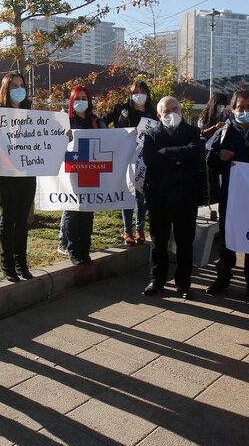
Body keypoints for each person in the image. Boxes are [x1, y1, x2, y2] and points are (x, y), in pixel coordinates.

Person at [205, 90, 249, 304]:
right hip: (230, 195)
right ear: (233, 110)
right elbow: (209, 160)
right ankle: (223, 279)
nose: (245, 111)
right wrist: (219, 156)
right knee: (227, 239)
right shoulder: (224, 131)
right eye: (241, 107)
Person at [141, 96, 204, 299]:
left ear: (181, 110)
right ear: (159, 115)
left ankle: (183, 283)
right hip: (159, 196)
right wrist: (180, 158)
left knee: (185, 242)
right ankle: (156, 280)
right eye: (166, 111)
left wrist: (166, 152)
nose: (171, 114)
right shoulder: (151, 134)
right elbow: (151, 159)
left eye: (175, 109)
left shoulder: (193, 132)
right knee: (158, 241)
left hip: (186, 196)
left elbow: (195, 154)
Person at [0, 71, 37, 282]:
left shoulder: (30, 111)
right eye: (14, 85)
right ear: (6, 89)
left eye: (21, 85)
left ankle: (21, 263)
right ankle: (7, 265)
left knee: (23, 219)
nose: (18, 89)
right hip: (6, 172)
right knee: (9, 218)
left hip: (27, 171)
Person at [103, 80, 155, 245]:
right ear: (130, 94)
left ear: (147, 94)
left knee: (141, 196)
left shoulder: (152, 112)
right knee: (127, 194)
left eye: (142, 91)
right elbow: (103, 121)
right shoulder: (122, 109)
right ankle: (127, 231)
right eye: (135, 92)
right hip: (124, 158)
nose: (138, 95)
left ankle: (140, 230)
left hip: (144, 159)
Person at [61, 85, 107, 265]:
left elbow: (108, 141)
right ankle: (73, 250)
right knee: (73, 213)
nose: (81, 101)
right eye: (77, 98)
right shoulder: (65, 121)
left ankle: (85, 250)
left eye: (84, 98)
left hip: (90, 173)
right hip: (71, 173)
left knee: (88, 213)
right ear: (72, 101)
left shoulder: (96, 121)